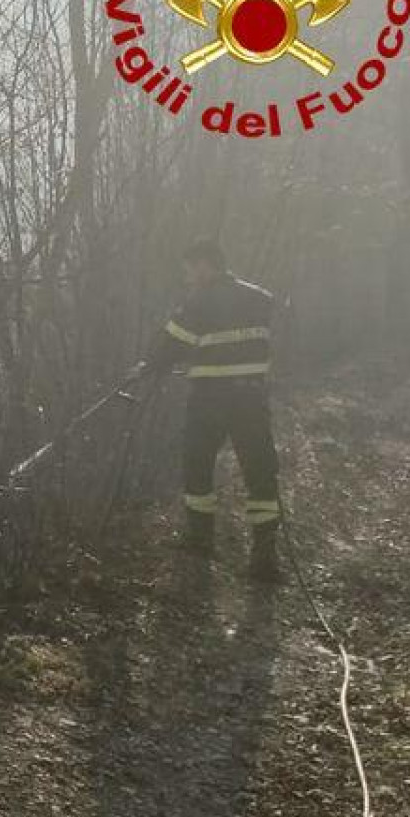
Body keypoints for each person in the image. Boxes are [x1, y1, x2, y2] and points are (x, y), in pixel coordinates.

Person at [135, 238, 280, 576]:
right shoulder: (261, 298)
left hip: (210, 400)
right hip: (251, 399)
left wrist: (146, 368)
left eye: (190, 268)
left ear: (206, 265)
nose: (188, 276)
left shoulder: (199, 302)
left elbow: (170, 345)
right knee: (260, 472)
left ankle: (201, 542)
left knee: (196, 463)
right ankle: (265, 556)